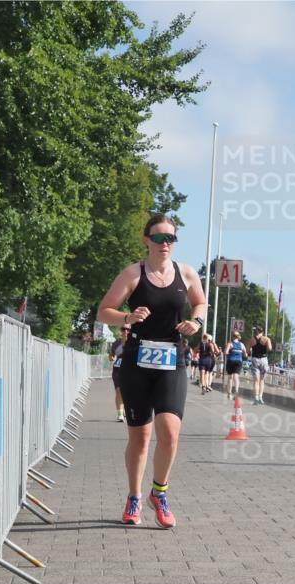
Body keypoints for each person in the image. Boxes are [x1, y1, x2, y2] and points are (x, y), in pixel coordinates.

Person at [97, 214, 207, 528]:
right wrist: (127, 318)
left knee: (170, 433)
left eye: (170, 238)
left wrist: (195, 322)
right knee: (141, 437)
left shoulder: (185, 273)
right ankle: (133, 497)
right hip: (137, 361)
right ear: (146, 240)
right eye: (158, 238)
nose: (164, 244)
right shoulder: (133, 273)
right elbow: (104, 311)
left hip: (173, 359)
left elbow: (200, 302)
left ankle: (159, 493)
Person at [109, 326, 129, 422]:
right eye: (123, 329)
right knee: (119, 391)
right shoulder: (116, 343)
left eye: (128, 329)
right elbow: (111, 355)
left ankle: (126, 410)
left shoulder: (136, 342)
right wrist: (111, 357)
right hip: (118, 369)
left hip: (131, 370)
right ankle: (120, 414)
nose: (125, 331)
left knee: (129, 392)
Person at [248, 326, 272, 405]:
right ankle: (261, 397)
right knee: (262, 380)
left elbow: (247, 349)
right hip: (264, 359)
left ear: (256, 331)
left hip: (255, 359)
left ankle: (256, 398)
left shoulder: (252, 339)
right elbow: (269, 349)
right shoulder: (266, 339)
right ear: (263, 332)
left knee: (256, 381)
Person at [224, 330, 247, 398]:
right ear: (238, 337)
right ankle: (236, 391)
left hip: (231, 361)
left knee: (230, 377)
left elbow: (226, 352)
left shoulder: (230, 344)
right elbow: (245, 354)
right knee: (236, 377)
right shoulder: (242, 344)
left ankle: (229, 393)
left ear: (232, 336)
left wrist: (229, 352)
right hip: (238, 361)